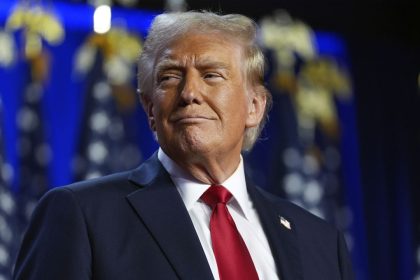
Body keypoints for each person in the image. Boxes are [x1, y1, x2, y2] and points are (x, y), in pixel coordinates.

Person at [13, 11, 354, 280]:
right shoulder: (82, 215)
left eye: (211, 75)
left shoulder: (320, 242)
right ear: (150, 109)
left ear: (254, 106)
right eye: (170, 77)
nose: (190, 93)